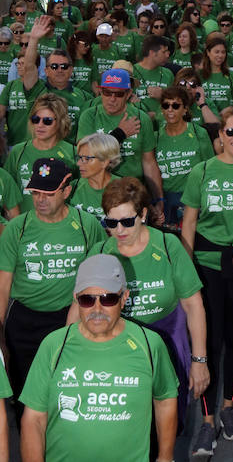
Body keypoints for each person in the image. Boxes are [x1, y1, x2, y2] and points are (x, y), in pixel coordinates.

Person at [79, 177, 209, 434]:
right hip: (117, 348)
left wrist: (200, 360)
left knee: (170, 425)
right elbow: (80, 309)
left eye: (127, 221)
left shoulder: (168, 246)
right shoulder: (99, 252)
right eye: (111, 222)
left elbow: (194, 305)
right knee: (126, 426)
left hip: (168, 341)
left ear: (143, 214)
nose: (119, 230)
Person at [20, 254, 179, 462]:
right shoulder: (54, 345)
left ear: (124, 298)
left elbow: (165, 400)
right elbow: (33, 419)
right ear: (76, 299)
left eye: (108, 299)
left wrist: (165, 458)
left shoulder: (150, 344)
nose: (97, 310)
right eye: (87, 300)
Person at [181, 107, 233, 454]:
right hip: (206, 262)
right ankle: (207, 421)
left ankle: (228, 407)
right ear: (220, 136)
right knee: (208, 343)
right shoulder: (202, 171)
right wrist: (185, 270)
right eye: (229, 132)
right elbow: (188, 221)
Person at [0, 158, 105, 409]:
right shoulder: (18, 228)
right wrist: (0, 334)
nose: (40, 199)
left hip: (68, 318)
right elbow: (3, 285)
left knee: (65, 393)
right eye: (36, 192)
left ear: (67, 191)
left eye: (48, 193)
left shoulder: (87, 225)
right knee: (27, 399)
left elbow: (96, 280)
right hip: (24, 322)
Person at [77, 68, 165, 221]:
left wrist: (158, 199)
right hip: (94, 192)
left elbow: (149, 162)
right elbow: (88, 155)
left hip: (131, 195)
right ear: (100, 91)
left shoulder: (140, 118)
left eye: (118, 94)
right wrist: (120, 134)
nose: (112, 99)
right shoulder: (89, 116)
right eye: (107, 92)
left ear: (128, 94)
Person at [4, 94, 76, 211]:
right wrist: (16, 223)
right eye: (36, 119)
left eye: (47, 121)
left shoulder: (72, 152)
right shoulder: (18, 151)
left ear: (61, 122)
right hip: (24, 224)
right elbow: (6, 190)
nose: (40, 125)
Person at [155, 85, 214, 226]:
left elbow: (210, 168)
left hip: (193, 200)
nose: (170, 110)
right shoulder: (155, 137)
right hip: (167, 202)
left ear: (185, 109)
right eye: (166, 105)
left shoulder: (199, 133)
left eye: (175, 105)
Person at [70, 132, 121, 221]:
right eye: (79, 158)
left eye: (87, 159)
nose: (78, 163)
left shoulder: (124, 189)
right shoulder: (72, 187)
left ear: (104, 162)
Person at [133, 34, 174, 117]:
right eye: (164, 52)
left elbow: (176, 103)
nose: (167, 55)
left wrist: (163, 95)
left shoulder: (168, 74)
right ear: (152, 53)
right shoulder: (131, 72)